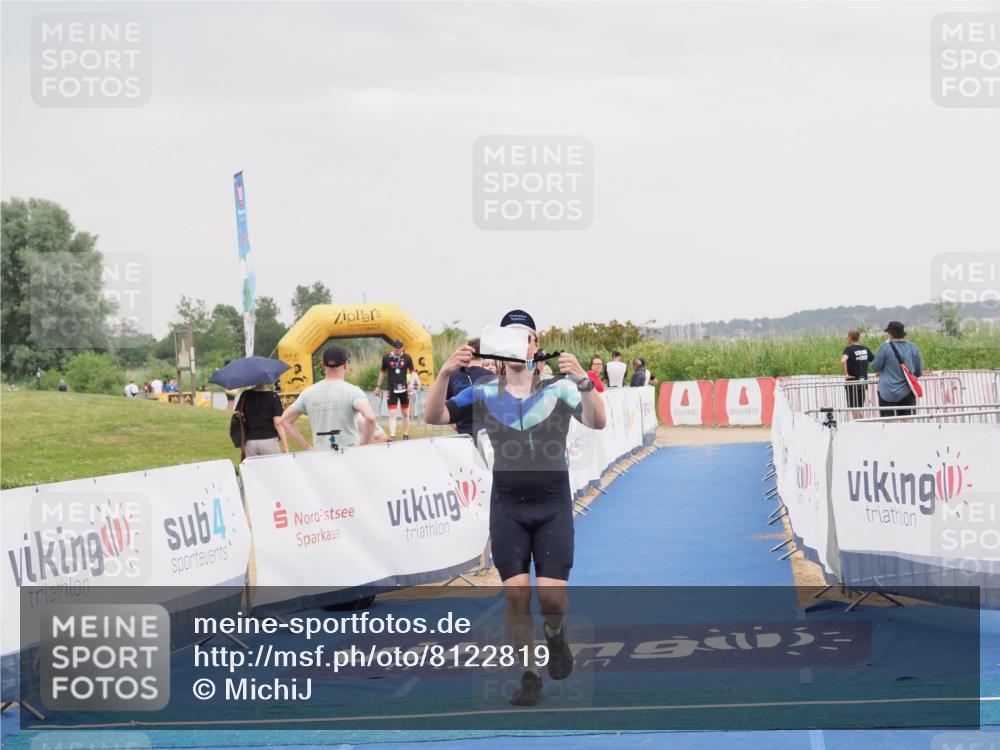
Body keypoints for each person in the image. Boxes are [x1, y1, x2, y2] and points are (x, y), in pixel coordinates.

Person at [425, 309, 607, 707]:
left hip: (552, 506)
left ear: (535, 345)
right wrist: (443, 374)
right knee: (516, 596)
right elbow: (434, 416)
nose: (516, 346)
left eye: (524, 337)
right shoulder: (484, 391)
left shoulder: (559, 389)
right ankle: (529, 675)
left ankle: (556, 638)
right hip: (507, 506)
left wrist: (585, 383)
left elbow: (598, 423)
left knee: (552, 601)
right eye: (508, 338)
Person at [281, 346, 377, 450]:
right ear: (345, 365)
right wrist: (364, 445)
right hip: (350, 457)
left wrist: (307, 447)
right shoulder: (353, 391)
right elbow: (370, 418)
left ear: (322, 366)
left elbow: (285, 420)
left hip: (320, 457)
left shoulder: (308, 393)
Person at [445, 337, 497, 438]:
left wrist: (453, 423)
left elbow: (443, 404)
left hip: (463, 435)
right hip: (485, 434)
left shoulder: (453, 375)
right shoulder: (489, 376)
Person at [870, 321, 923, 419]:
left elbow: (874, 367)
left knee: (889, 424)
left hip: (887, 392)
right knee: (908, 422)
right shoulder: (913, 347)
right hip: (907, 391)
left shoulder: (884, 348)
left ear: (890, 333)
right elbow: (918, 371)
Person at [374, 340, 415, 441]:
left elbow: (412, 372)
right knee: (392, 413)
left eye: (400, 350)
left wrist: (410, 384)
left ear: (402, 348)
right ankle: (393, 436)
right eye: (396, 350)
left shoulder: (407, 357)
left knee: (405, 413)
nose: (398, 352)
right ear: (393, 348)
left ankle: (405, 434)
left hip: (404, 389)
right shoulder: (387, 357)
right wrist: (378, 386)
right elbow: (382, 372)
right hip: (391, 389)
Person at [236, 383, 289, 456]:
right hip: (269, 440)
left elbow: (239, 415)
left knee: (252, 467)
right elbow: (278, 423)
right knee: (273, 467)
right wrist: (285, 446)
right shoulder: (273, 396)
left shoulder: (245, 394)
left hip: (249, 441)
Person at [841, 330, 874, 420]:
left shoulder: (849, 349)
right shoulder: (865, 349)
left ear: (850, 338)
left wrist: (846, 374)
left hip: (852, 382)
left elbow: (843, 360)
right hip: (863, 381)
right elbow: (874, 360)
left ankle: (859, 427)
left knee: (854, 407)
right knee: (859, 407)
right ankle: (863, 425)